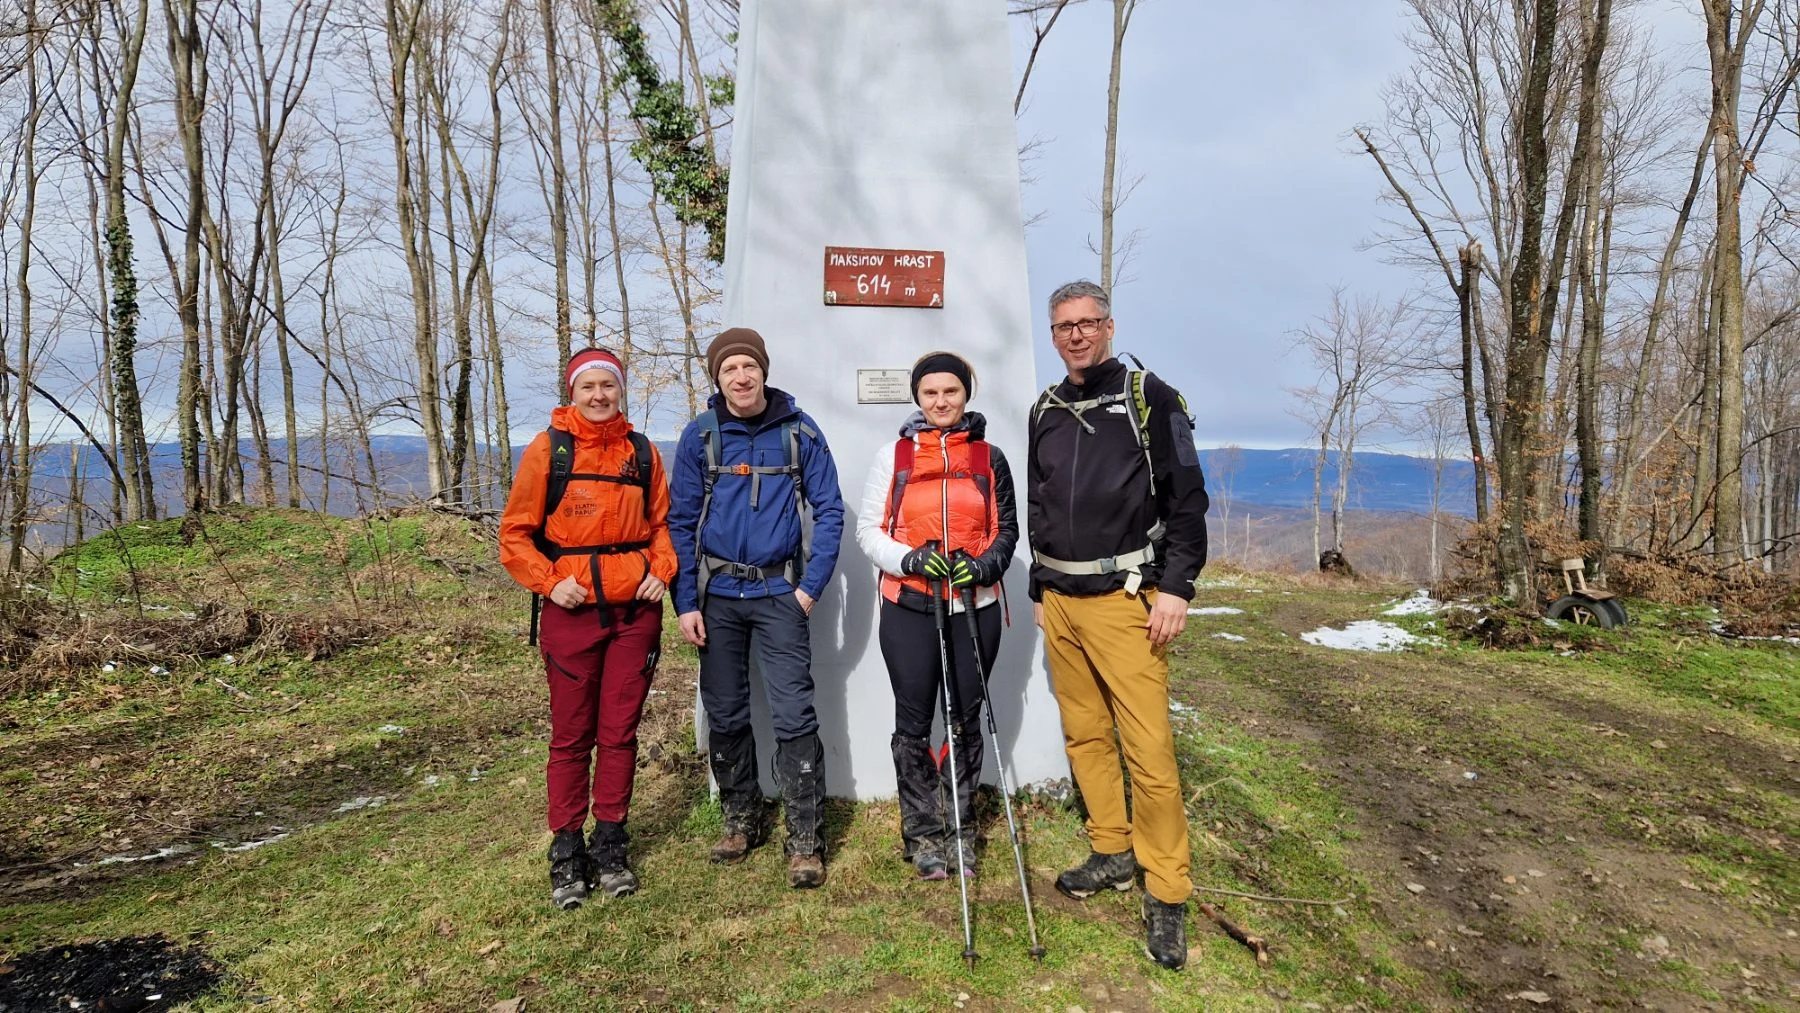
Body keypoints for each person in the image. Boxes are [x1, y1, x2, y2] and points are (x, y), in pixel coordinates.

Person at [1027, 280, 1210, 970]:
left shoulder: (1149, 397)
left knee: (1150, 752)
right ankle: (1112, 847)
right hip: (1062, 602)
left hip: (1128, 599)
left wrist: (1178, 588)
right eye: (1063, 325)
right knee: (1084, 732)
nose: (1076, 334)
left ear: (1109, 325)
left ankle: (1167, 890)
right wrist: (1040, 585)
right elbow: (1041, 500)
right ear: (1052, 334)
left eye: (1087, 322)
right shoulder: (1045, 407)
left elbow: (1189, 499)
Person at [668, 327, 846, 889]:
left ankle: (804, 836)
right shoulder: (701, 435)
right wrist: (685, 602)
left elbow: (831, 511)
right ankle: (741, 819)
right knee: (724, 710)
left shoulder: (800, 431)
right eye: (729, 370)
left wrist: (810, 588)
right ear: (717, 379)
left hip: (778, 595)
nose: (740, 378)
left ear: (763, 370)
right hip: (718, 597)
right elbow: (680, 522)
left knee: (795, 713)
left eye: (748, 366)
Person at [499, 347, 676, 910]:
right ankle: (567, 848)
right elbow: (515, 536)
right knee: (572, 735)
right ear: (572, 393)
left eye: (608, 386)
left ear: (619, 390)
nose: (599, 396)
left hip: (634, 616)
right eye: (588, 387)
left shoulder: (643, 453)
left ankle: (612, 842)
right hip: (571, 612)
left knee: (620, 732)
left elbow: (664, 527)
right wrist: (550, 583)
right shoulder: (547, 452)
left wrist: (661, 571)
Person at [855, 352, 1018, 881]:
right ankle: (922, 832)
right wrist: (908, 559)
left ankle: (959, 825)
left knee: (965, 719)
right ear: (917, 398)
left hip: (974, 605)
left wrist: (986, 564)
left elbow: (1007, 530)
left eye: (951, 391)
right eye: (930, 393)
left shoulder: (989, 457)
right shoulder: (895, 457)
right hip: (910, 605)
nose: (941, 401)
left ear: (965, 394)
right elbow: (867, 531)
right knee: (914, 719)